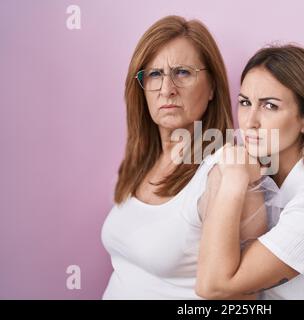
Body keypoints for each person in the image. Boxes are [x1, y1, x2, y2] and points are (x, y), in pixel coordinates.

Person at [196, 44, 304, 300]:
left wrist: (233, 181)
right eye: (244, 102)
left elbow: (214, 286)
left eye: (270, 106)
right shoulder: (249, 168)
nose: (250, 121)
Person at [101, 15, 241, 299]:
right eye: (154, 74)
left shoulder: (222, 173)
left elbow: (238, 300)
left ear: (213, 86)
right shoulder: (139, 164)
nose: (167, 89)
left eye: (183, 72)